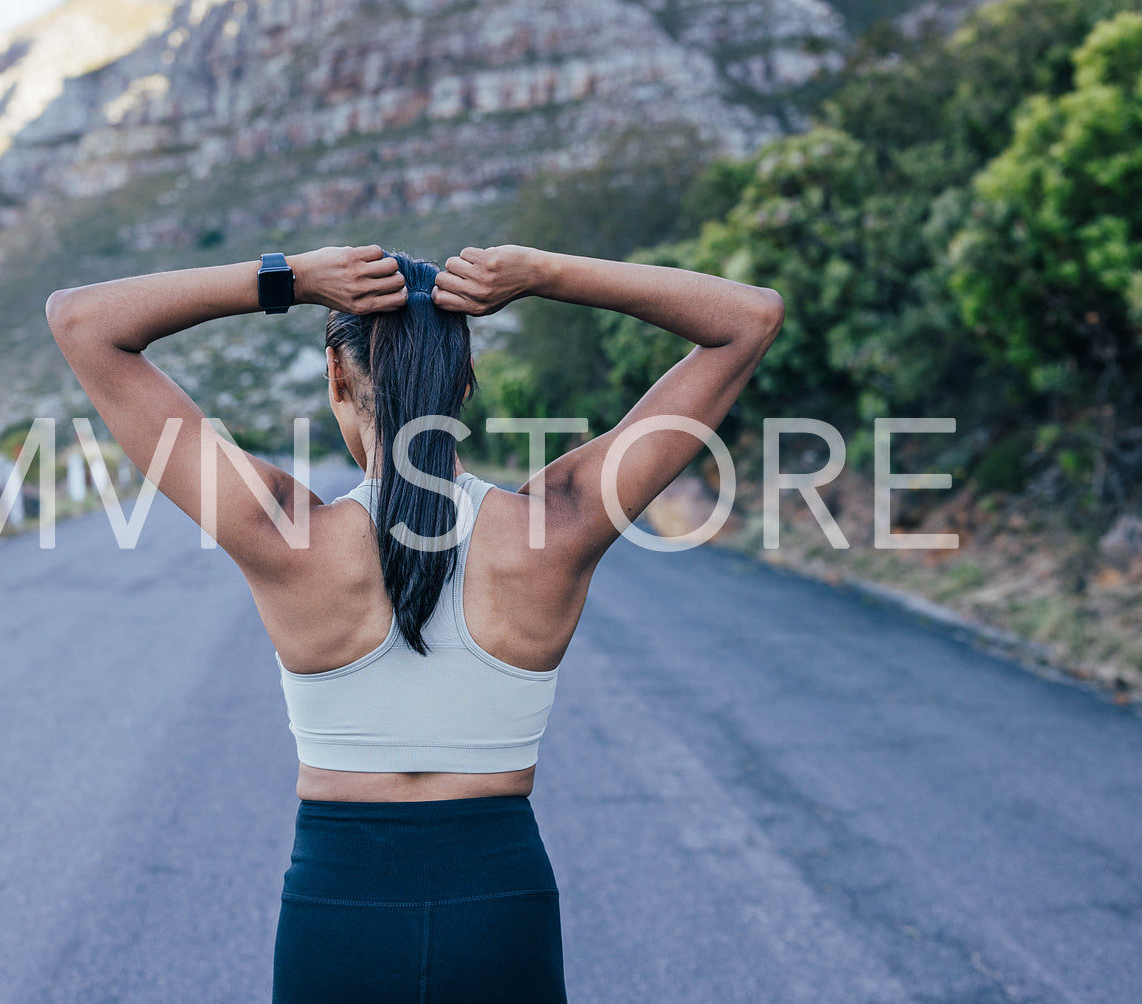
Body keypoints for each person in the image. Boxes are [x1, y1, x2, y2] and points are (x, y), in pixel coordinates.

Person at [45, 243, 783, 1002]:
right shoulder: (557, 525)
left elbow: (81, 320)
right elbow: (747, 318)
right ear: (465, 380)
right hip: (499, 909)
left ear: (337, 375)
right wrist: (542, 275)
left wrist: (290, 279)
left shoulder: (281, 532)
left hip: (339, 912)